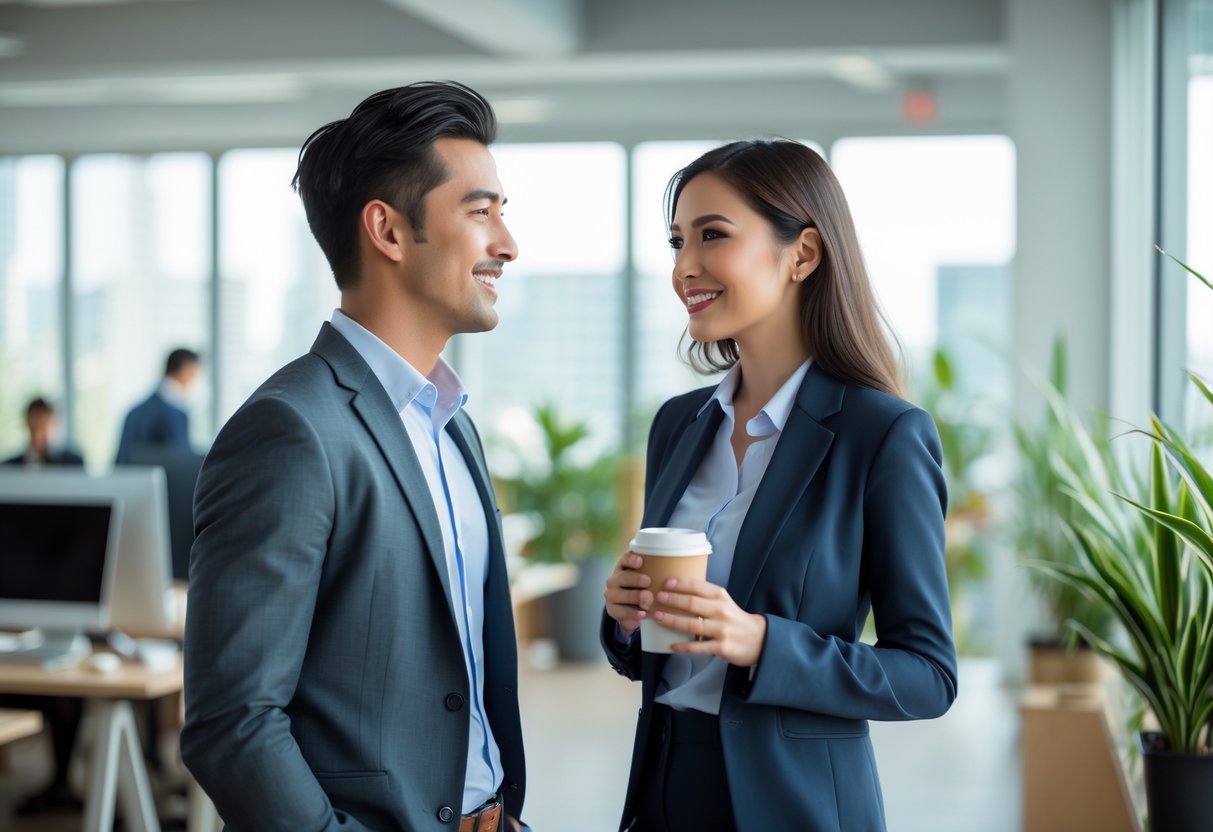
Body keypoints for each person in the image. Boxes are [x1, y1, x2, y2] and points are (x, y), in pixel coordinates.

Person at [181, 81, 529, 832]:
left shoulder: (452, 424)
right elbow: (232, 720)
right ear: (389, 231)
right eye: (480, 212)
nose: (506, 244)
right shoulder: (290, 430)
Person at [602, 139, 958, 832]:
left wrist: (762, 641)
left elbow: (928, 676)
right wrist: (623, 618)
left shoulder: (882, 434)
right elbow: (661, 656)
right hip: (664, 789)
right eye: (676, 241)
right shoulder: (678, 424)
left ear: (802, 254)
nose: (683, 267)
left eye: (712, 236)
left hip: (795, 806)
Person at [0, 397, 86, 814]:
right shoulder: (10, 467)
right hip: (18, 583)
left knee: (70, 694)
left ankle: (62, 782)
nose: (42, 433)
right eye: (36, 425)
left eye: (48, 425)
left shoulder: (73, 462)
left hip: (63, 582)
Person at [114, 347, 200, 464]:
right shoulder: (175, 412)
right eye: (194, 372)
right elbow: (181, 462)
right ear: (185, 369)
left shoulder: (135, 411)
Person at [3, 397, 84, 466]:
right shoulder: (8, 467)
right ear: (27, 425)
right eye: (34, 427)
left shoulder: (74, 464)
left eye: (43, 426)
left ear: (55, 425)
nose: (38, 434)